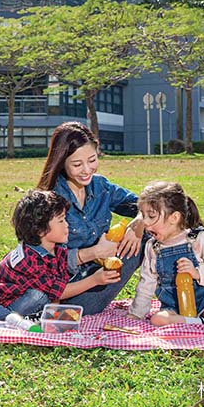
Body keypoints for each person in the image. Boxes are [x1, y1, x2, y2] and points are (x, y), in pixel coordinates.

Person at [36, 121, 145, 316]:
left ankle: (187, 298)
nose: (87, 169)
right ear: (61, 162)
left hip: (101, 273)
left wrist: (139, 221)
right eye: (77, 164)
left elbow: (146, 204)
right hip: (67, 289)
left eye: (92, 160)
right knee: (68, 310)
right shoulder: (49, 200)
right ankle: (65, 311)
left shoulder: (100, 186)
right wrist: (94, 252)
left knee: (151, 236)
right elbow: (41, 261)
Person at [0, 189, 120, 321]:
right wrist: (94, 280)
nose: (67, 225)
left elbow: (58, 281)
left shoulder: (57, 248)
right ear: (40, 230)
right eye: (61, 221)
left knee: (44, 299)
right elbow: (59, 291)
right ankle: (5, 318)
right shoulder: (30, 258)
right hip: (3, 300)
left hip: (22, 302)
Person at [128, 181, 204, 326]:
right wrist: (136, 313)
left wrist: (197, 273)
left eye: (151, 216)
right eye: (143, 215)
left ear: (174, 218)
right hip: (174, 308)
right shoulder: (152, 247)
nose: (146, 223)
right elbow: (146, 283)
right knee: (157, 319)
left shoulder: (198, 240)